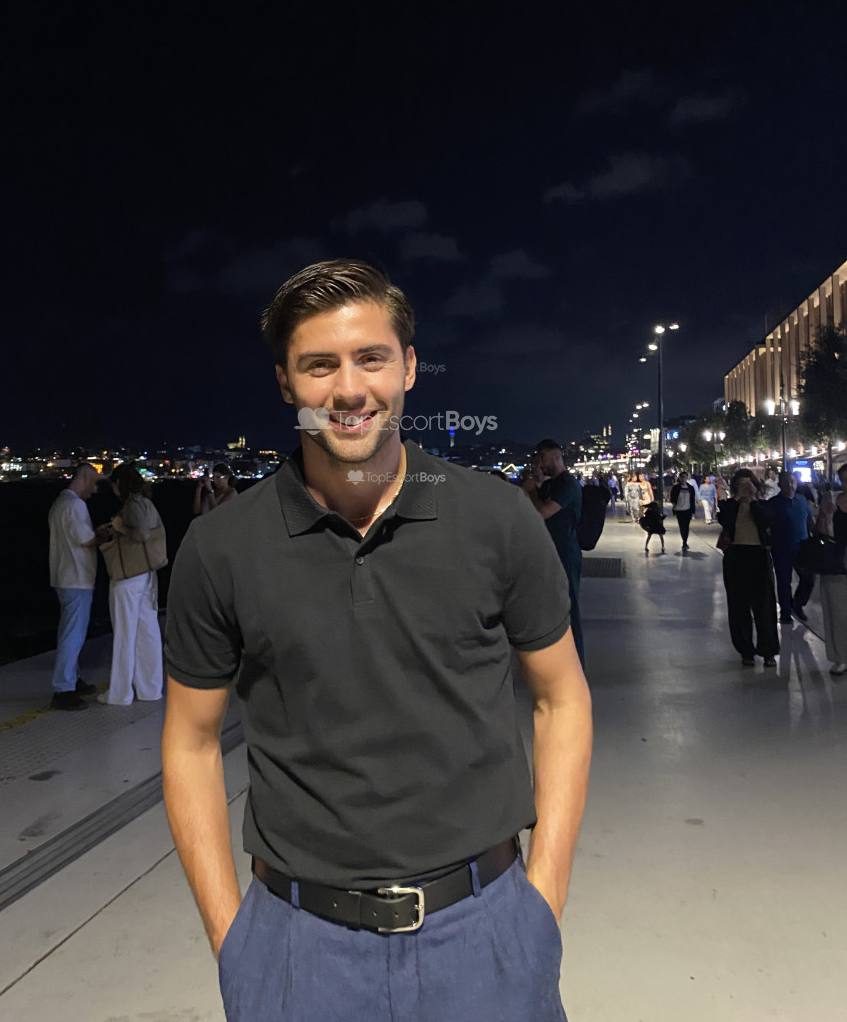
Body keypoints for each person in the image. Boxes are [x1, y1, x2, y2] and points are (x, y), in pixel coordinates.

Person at [162, 259, 592, 1022]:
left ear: (409, 368)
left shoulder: (495, 518)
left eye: (371, 358)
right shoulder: (223, 547)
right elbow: (190, 742)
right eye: (318, 365)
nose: (350, 389)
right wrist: (237, 946)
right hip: (297, 948)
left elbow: (562, 698)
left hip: (485, 930)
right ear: (285, 383)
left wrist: (543, 903)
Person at [98, 464, 165, 706]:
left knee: (125, 633)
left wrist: (119, 528)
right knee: (148, 632)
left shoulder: (132, 505)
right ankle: (150, 689)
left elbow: (141, 535)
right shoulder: (147, 503)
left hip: (128, 577)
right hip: (146, 575)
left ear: (119, 484)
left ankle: (121, 693)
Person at [47, 463, 108, 710]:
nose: (94, 490)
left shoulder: (59, 503)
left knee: (70, 631)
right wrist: (103, 534)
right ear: (84, 478)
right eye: (93, 483)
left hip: (63, 575)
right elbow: (86, 540)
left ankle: (72, 677)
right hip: (77, 577)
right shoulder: (75, 505)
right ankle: (64, 688)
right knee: (73, 634)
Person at [521, 439, 585, 670]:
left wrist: (532, 491)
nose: (540, 462)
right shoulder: (551, 485)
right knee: (551, 611)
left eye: (543, 457)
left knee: (568, 609)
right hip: (550, 553)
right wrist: (536, 485)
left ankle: (576, 666)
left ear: (557, 456)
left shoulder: (568, 484)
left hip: (565, 553)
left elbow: (542, 513)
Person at [717, 470, 779, 668]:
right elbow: (725, 520)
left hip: (758, 555)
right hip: (736, 555)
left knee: (764, 605)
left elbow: (766, 522)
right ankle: (746, 651)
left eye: (748, 483)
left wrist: (752, 500)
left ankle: (768, 651)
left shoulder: (762, 505)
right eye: (740, 484)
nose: (745, 487)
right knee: (738, 606)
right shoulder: (729, 505)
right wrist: (738, 500)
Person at [765, 471, 815, 624]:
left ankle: (797, 604)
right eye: (786, 482)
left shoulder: (802, 500)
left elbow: (810, 521)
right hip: (781, 549)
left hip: (802, 548)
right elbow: (766, 526)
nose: (790, 485)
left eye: (792, 482)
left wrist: (817, 538)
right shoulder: (773, 503)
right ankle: (785, 613)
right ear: (780, 485)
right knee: (784, 582)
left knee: (809, 578)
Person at [817, 465, 847, 676]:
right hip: (834, 560)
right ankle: (840, 656)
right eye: (843, 480)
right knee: (836, 612)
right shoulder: (832, 500)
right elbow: (820, 531)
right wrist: (824, 515)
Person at [670, 471, 696, 551]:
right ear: (680, 478)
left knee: (686, 526)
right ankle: (684, 541)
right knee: (682, 526)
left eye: (685, 477)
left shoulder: (690, 488)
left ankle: (685, 542)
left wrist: (693, 511)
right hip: (679, 510)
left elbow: (692, 499)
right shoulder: (676, 488)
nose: (684, 479)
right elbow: (672, 497)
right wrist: (674, 505)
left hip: (688, 509)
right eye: (682, 477)